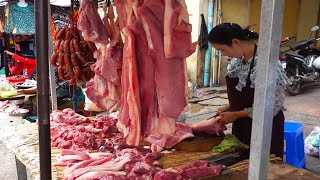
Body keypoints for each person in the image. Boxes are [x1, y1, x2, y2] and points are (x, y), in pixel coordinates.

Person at [207, 23, 289, 157]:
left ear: (235, 42)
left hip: (264, 127)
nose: (222, 54)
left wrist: (236, 114)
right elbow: (246, 95)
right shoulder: (238, 60)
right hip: (242, 126)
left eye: (222, 50)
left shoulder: (265, 65)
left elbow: (271, 106)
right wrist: (229, 107)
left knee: (264, 166)